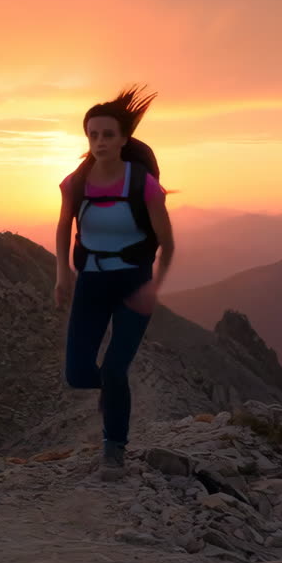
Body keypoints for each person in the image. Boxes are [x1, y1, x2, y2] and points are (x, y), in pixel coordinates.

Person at [53, 85, 175, 475]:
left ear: (124, 139)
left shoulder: (144, 185)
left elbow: (168, 243)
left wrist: (153, 287)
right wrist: (62, 276)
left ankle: (114, 448)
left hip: (133, 284)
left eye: (108, 134)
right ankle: (111, 390)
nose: (100, 141)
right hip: (90, 283)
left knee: (115, 368)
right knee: (77, 373)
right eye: (93, 134)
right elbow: (62, 228)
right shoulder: (75, 183)